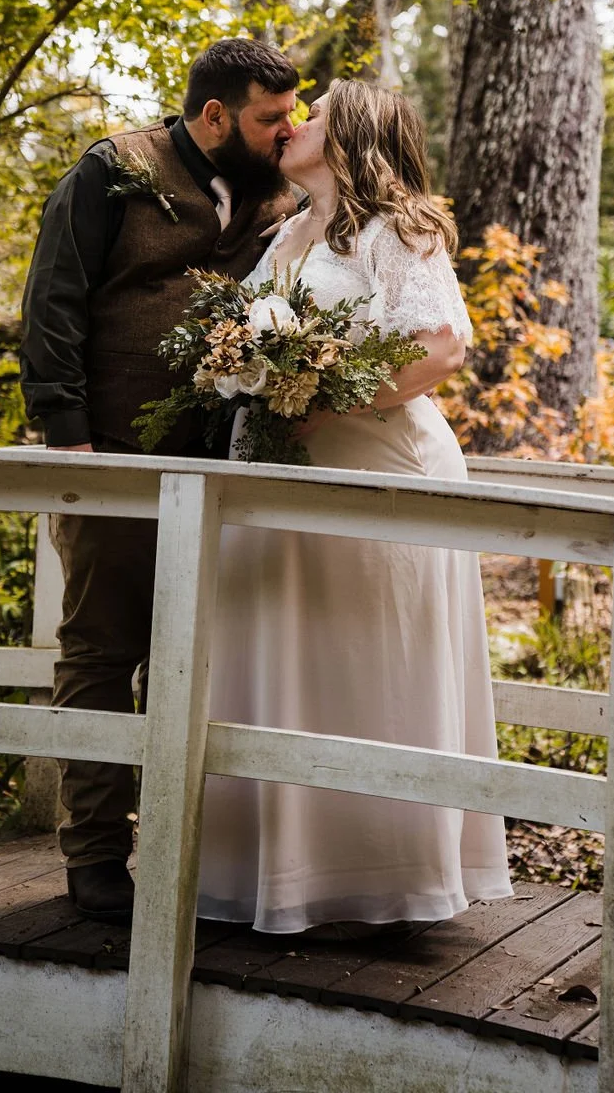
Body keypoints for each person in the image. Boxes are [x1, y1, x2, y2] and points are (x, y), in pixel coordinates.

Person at [197, 78, 512, 933]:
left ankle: (380, 876)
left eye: (316, 113)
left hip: (380, 468)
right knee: (287, 650)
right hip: (282, 470)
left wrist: (323, 397)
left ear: (355, 136)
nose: (295, 122)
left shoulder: (394, 227)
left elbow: (439, 345)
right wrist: (248, 366)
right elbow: (241, 331)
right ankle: (283, 872)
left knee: (367, 660)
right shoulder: (292, 232)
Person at [20, 38, 299, 920]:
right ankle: (95, 857)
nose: (285, 130)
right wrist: (67, 439)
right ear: (214, 116)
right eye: (269, 117)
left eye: (292, 114)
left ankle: (187, 851)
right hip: (110, 455)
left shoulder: (278, 194)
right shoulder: (114, 169)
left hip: (227, 464)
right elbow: (54, 296)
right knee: (102, 648)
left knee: (202, 657)